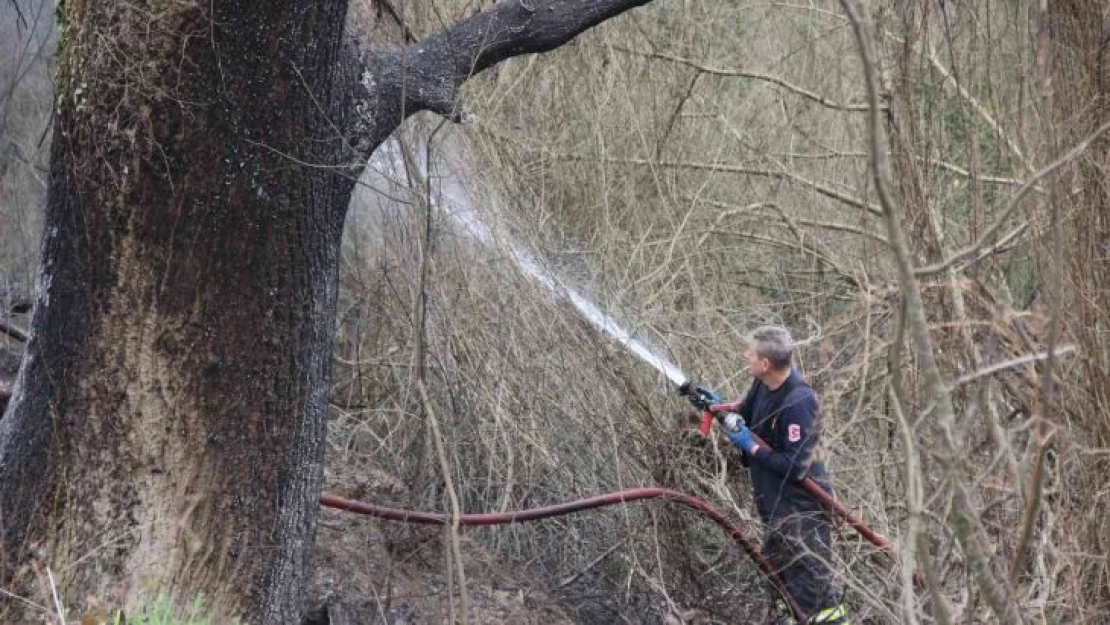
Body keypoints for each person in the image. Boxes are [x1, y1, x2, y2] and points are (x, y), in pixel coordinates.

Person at [719, 325, 849, 625]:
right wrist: (718, 407)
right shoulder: (762, 385)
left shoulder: (798, 402)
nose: (744, 357)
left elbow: (796, 465)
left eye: (749, 353)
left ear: (765, 363)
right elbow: (746, 413)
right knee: (780, 583)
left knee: (813, 592)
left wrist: (751, 447)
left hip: (802, 512)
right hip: (777, 508)